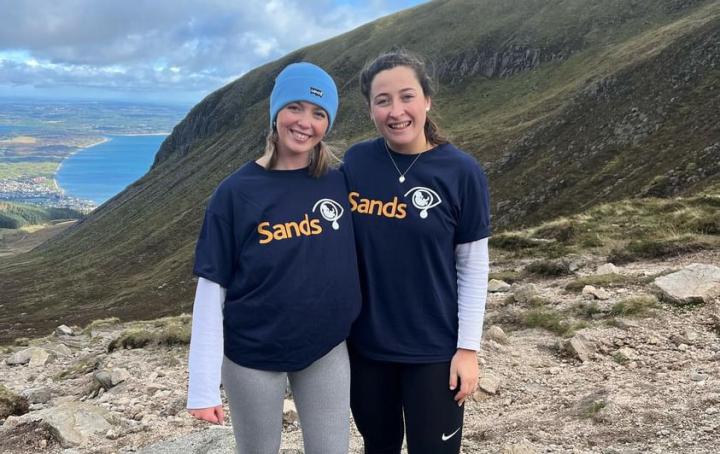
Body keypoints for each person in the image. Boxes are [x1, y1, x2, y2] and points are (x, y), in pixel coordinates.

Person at [186, 62, 361, 454]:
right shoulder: (234, 193)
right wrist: (202, 387)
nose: (305, 122)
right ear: (275, 112)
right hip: (253, 354)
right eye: (295, 107)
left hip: (325, 347)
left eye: (319, 114)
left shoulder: (339, 181)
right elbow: (211, 290)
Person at [341, 50, 491, 454]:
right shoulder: (357, 162)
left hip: (435, 352)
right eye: (383, 100)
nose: (396, 111)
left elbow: (473, 267)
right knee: (380, 446)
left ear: (426, 100)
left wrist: (468, 349)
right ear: (370, 109)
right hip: (367, 349)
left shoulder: (461, 172)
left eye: (407, 96)